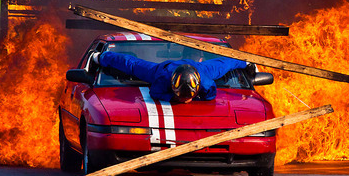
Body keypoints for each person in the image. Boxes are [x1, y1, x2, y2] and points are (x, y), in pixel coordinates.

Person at [88, 50, 251, 104]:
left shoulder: (207, 82)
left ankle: (248, 61)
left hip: (198, 68)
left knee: (226, 63)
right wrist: (173, 98)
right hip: (163, 69)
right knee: (131, 65)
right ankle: (100, 56)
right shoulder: (161, 78)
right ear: (173, 87)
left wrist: (195, 99)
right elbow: (155, 94)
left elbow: (210, 96)